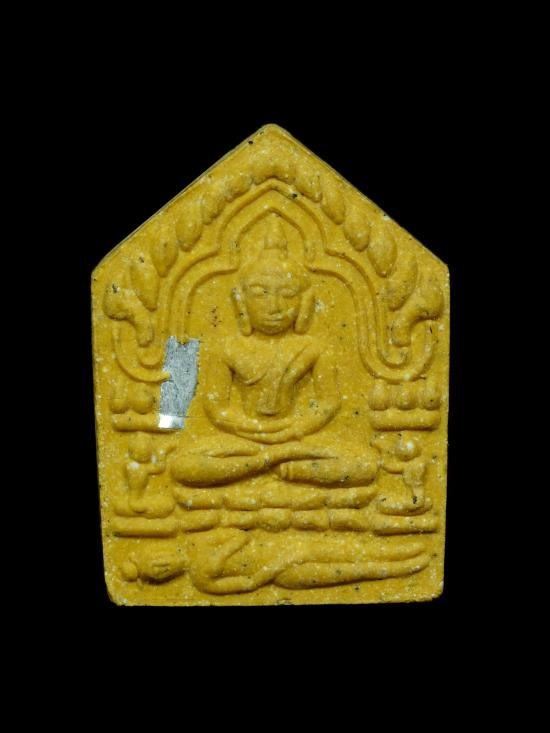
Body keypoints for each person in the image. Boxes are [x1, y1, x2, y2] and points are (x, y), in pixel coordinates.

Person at [170, 214, 379, 488]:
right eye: (260, 293)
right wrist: (252, 430)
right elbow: (216, 407)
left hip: (295, 440)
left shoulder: (314, 348)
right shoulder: (228, 348)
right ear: (240, 302)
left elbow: (328, 403)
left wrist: (293, 430)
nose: (274, 307)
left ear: (305, 303)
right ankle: (269, 463)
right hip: (243, 440)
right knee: (182, 465)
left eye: (288, 294)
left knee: (364, 464)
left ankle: (274, 466)